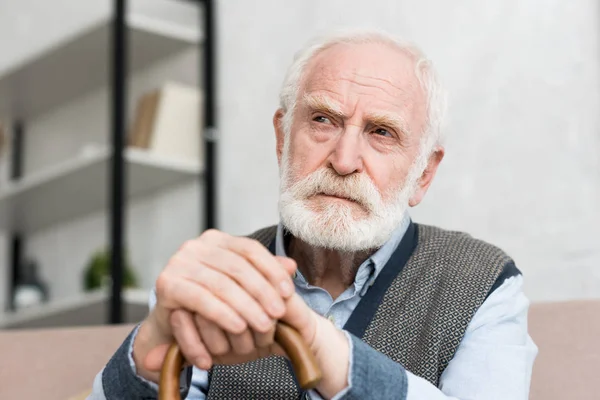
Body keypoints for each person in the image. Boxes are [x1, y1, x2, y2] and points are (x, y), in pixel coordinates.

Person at [91, 29, 537, 399]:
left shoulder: (485, 282)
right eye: (323, 120)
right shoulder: (217, 274)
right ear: (283, 139)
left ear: (423, 174)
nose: (343, 160)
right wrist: (145, 361)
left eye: (381, 132)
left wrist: (317, 343)